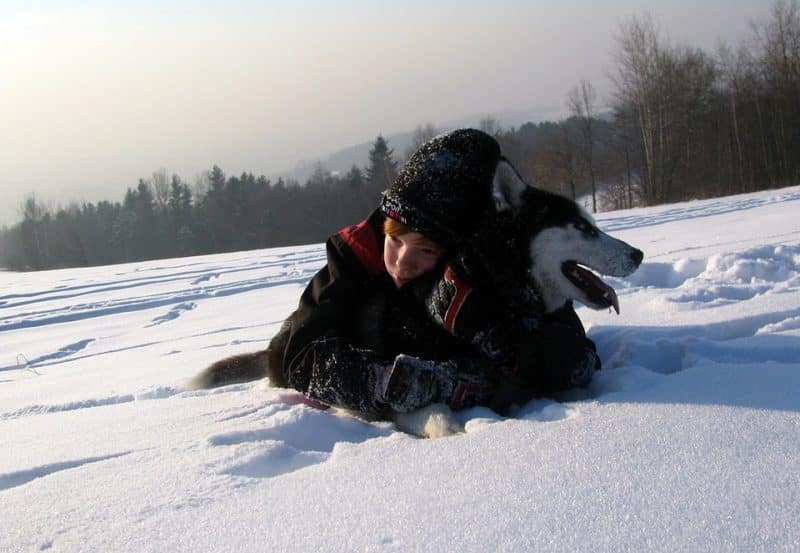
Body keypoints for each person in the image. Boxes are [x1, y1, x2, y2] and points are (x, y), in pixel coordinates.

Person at [266, 129, 598, 418]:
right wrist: (379, 382)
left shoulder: (501, 267)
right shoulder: (356, 255)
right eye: (394, 240)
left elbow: (577, 359)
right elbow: (301, 356)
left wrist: (497, 337)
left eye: (425, 250)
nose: (401, 263)